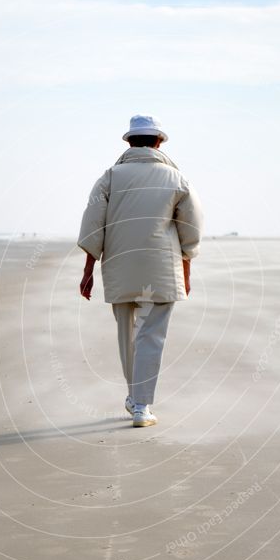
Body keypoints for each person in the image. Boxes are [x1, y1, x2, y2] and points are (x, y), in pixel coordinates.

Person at [77, 114, 203, 427]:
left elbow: (93, 224)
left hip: (119, 266)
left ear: (129, 142)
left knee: (126, 336)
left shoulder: (110, 177)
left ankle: (136, 399)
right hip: (161, 267)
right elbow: (191, 228)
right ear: (159, 141)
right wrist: (186, 269)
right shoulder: (177, 179)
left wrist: (88, 269)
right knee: (152, 336)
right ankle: (141, 405)